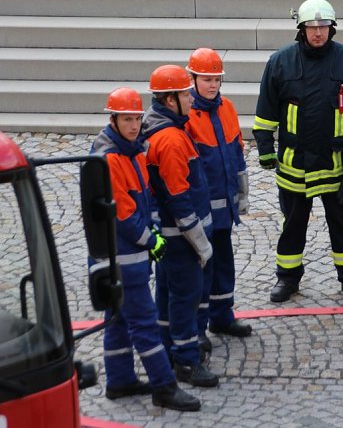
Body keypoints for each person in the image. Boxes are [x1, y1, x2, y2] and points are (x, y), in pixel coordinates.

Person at [253, 0, 343, 304]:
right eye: (312, 27)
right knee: (292, 224)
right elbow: (266, 109)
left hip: (337, 163)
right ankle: (287, 278)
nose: (318, 32)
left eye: (323, 27)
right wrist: (266, 146)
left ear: (332, 29)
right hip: (295, 164)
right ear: (301, 29)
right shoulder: (280, 62)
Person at [89, 87, 200, 411]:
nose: (135, 125)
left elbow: (146, 199)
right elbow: (123, 213)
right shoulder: (110, 159)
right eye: (127, 119)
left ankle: (120, 380)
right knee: (144, 323)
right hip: (123, 257)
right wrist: (152, 240)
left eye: (137, 118)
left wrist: (151, 229)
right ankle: (164, 386)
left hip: (124, 255)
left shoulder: (133, 151)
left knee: (118, 319)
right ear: (114, 119)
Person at [143, 65, 220, 388]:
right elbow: (179, 198)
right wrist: (200, 242)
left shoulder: (161, 128)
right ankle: (186, 362)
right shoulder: (172, 140)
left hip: (169, 237)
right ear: (170, 99)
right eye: (186, 93)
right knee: (185, 297)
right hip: (181, 238)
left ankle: (168, 348)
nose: (191, 98)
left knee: (166, 295)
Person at [184, 47, 253, 344]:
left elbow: (236, 154)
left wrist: (242, 194)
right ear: (193, 79)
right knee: (202, 267)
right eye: (206, 79)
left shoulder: (227, 108)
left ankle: (223, 316)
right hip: (201, 211)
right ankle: (197, 328)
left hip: (224, 209)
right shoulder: (187, 116)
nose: (212, 85)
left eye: (216, 79)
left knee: (224, 261)